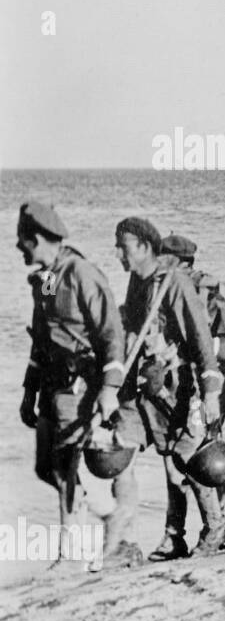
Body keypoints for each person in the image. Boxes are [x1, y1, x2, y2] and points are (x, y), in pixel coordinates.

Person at [17, 203, 141, 567]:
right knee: (46, 466)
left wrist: (109, 388)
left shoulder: (81, 274)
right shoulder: (48, 278)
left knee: (65, 465)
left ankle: (69, 555)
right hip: (51, 386)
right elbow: (41, 339)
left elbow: (111, 335)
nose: (18, 249)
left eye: (23, 242)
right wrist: (28, 391)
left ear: (37, 239)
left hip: (79, 385)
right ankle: (108, 516)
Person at [114, 217, 225, 558]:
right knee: (121, 449)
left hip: (179, 387)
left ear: (145, 248)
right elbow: (133, 327)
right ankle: (126, 542)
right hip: (145, 387)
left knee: (183, 459)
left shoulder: (175, 282)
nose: (118, 253)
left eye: (124, 246)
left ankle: (214, 528)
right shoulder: (138, 280)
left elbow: (200, 336)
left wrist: (210, 393)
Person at [160, 234, 225, 544]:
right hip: (182, 387)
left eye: (163, 257)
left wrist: (197, 351)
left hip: (209, 386)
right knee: (198, 454)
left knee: (195, 455)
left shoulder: (208, 297)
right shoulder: (166, 294)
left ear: (177, 262)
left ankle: (214, 528)